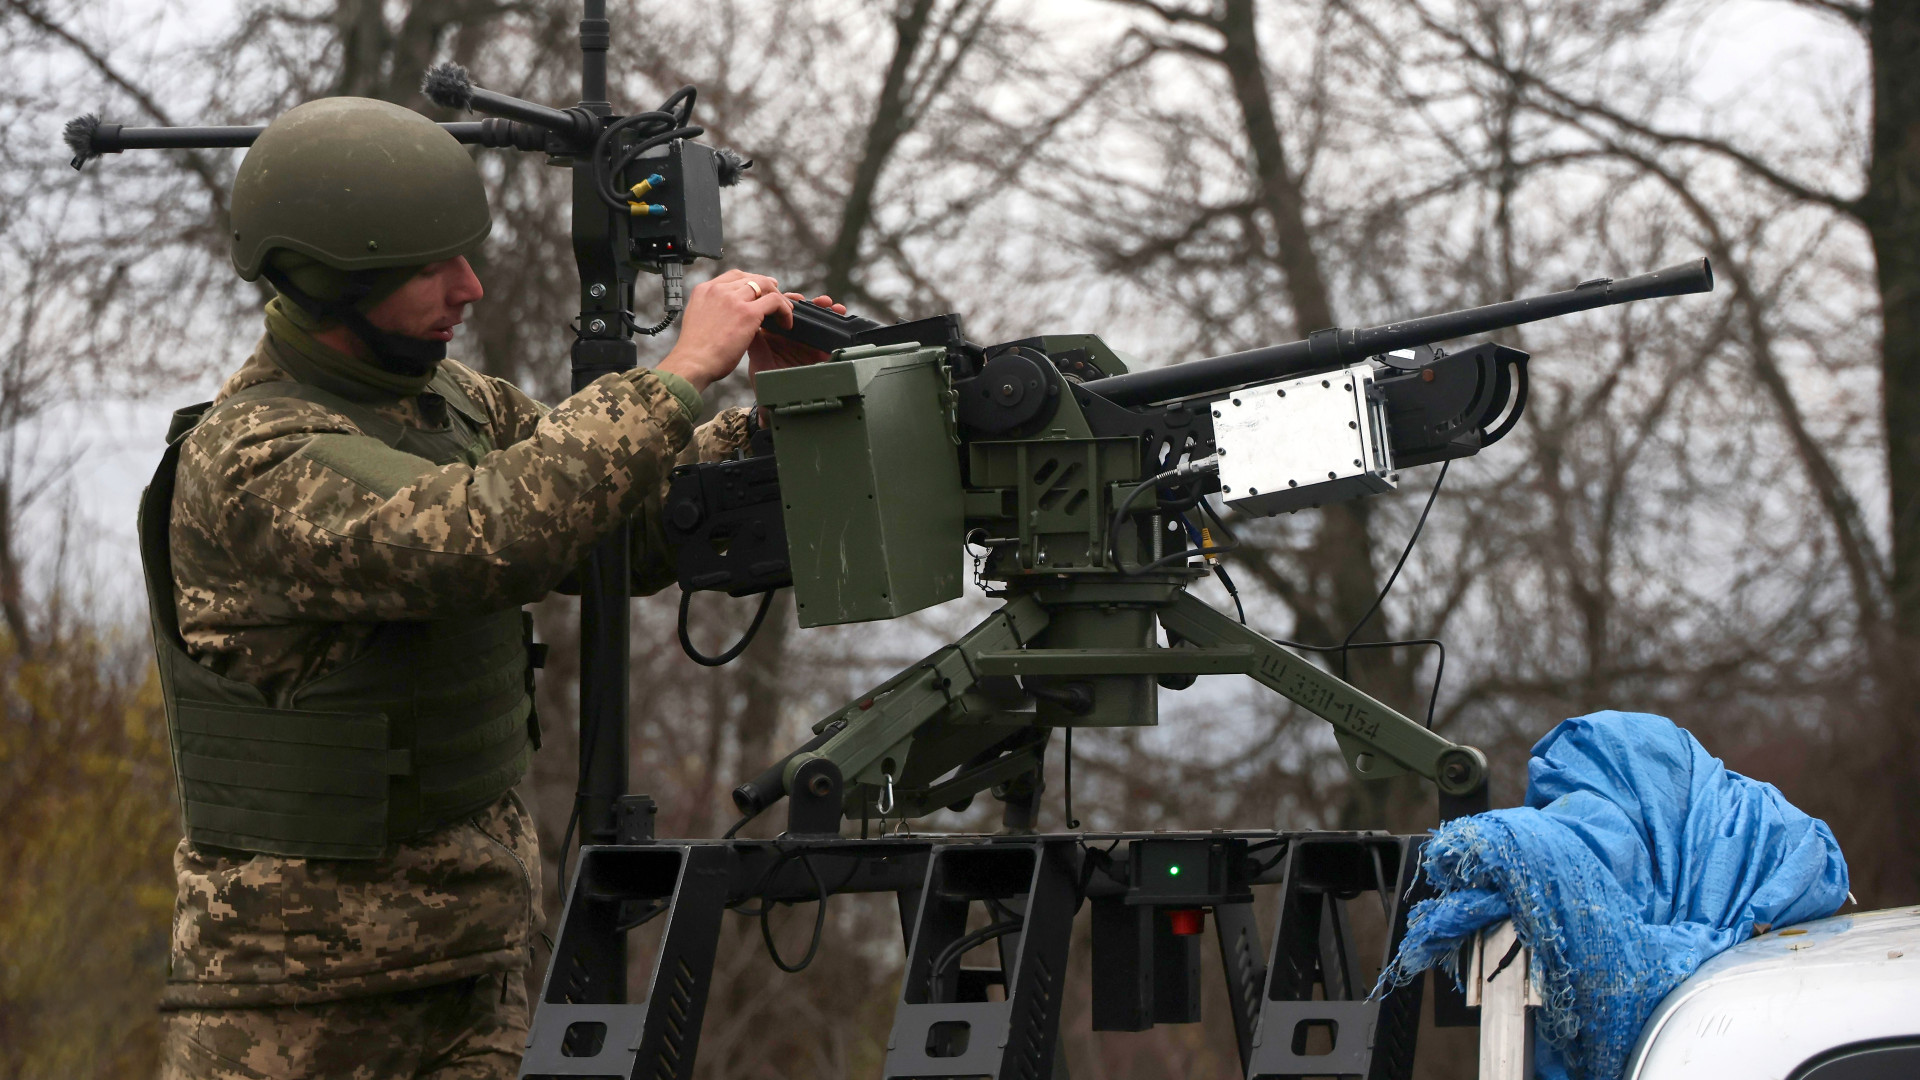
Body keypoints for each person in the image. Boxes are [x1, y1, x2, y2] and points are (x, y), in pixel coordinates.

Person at [141, 96, 836, 1078]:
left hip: (474, 975)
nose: (469, 285)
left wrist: (775, 421)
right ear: (331, 279)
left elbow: (613, 525)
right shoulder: (253, 458)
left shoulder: (454, 404)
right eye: (432, 266)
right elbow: (484, 536)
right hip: (297, 1009)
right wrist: (679, 376)